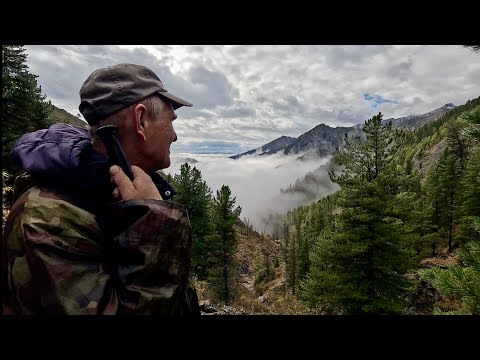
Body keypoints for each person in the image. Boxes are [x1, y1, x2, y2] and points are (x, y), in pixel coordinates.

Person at [1, 63, 200, 315]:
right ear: (140, 120)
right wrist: (155, 227)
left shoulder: (114, 194)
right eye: (171, 122)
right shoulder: (46, 219)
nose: (175, 136)